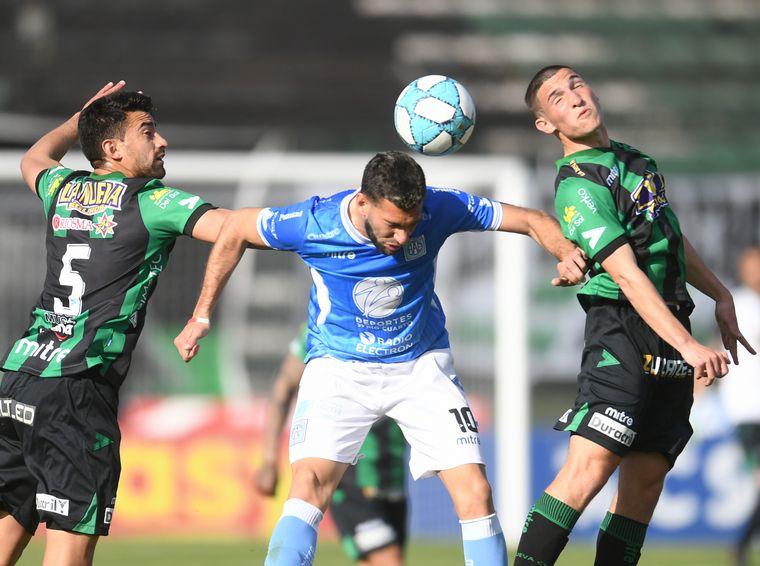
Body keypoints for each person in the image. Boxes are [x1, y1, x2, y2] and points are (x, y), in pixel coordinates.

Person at [174, 150, 587, 566]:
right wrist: (201, 314)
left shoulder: (441, 207)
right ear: (363, 201)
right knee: (309, 485)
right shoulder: (314, 223)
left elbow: (532, 220)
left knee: (475, 491)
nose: (403, 237)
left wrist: (563, 251)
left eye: (411, 224)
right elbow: (236, 227)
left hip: (421, 365)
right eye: (393, 225)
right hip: (339, 367)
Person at [515, 65, 757, 566]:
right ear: (547, 124)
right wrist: (690, 346)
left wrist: (720, 295)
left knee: (646, 481)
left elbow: (668, 237)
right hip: (622, 329)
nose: (575, 98)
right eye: (558, 97)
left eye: (576, 84)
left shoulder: (634, 160)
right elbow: (625, 274)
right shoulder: (577, 186)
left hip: (671, 323)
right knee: (591, 466)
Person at [0, 82, 229, 566]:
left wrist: (77, 118)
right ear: (113, 148)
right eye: (147, 132)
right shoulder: (152, 201)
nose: (161, 141)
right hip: (76, 389)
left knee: (7, 528)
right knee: (70, 544)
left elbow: (34, 158)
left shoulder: (64, 188)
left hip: (19, 378)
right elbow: (232, 228)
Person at [256, 325, 409, 565]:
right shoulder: (325, 324)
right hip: (350, 470)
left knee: (377, 559)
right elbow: (284, 386)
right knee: (388, 559)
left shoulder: (402, 321)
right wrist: (268, 459)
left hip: (392, 471)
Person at [719, 246, 760, 566]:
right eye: (752, 265)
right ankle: (741, 547)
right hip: (746, 410)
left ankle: (741, 548)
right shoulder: (735, 303)